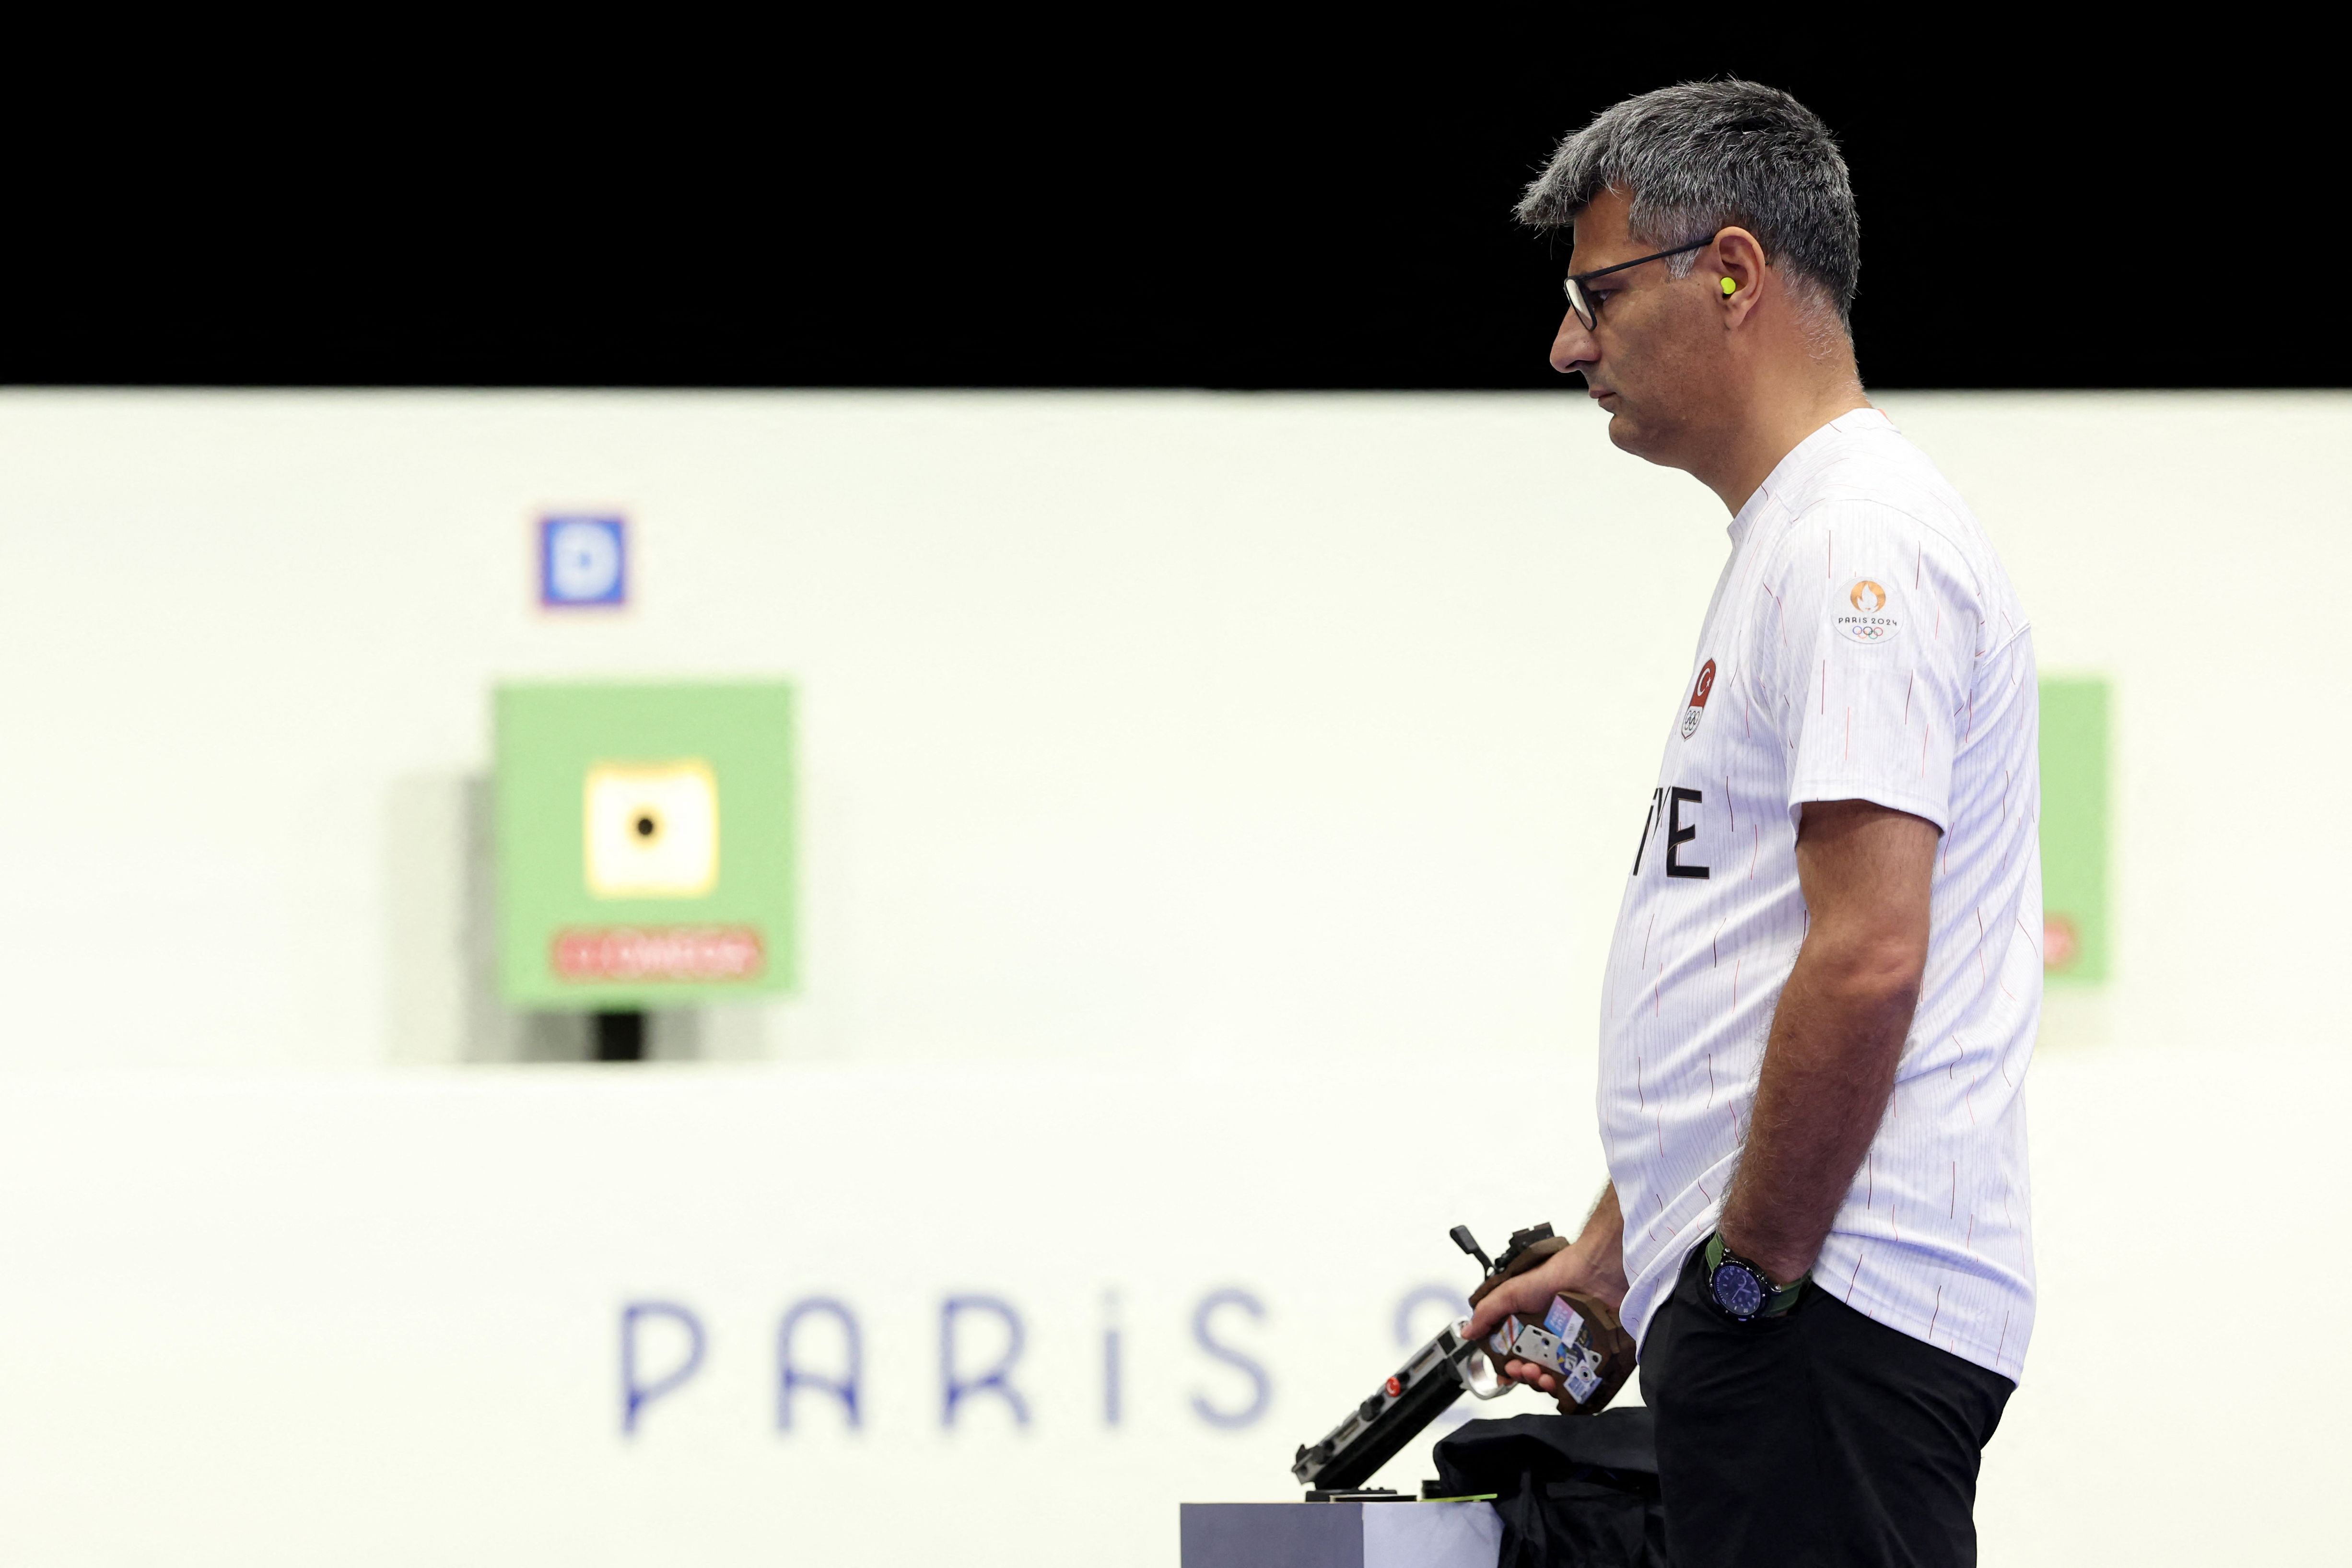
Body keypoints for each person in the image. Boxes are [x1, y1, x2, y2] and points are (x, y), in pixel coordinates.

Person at [1463, 82, 2038, 1568]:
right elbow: (1751, 967)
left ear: (1728, 272)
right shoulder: (1798, 533)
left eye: (1597, 295)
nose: (1567, 345)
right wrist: (1612, 1254)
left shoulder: (1855, 539)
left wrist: (1745, 1273)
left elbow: (1861, 959)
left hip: (1817, 1315)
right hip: (1789, 1315)